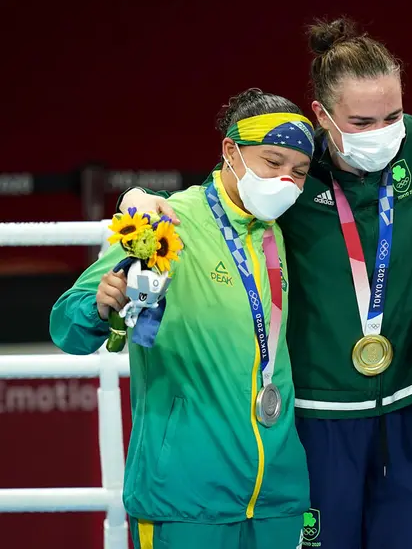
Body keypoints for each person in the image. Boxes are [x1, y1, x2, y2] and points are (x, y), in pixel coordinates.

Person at [117, 18, 412, 549]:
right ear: (322, 116)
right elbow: (225, 195)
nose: (382, 131)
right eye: (361, 120)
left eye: (392, 114)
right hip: (321, 418)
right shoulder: (294, 172)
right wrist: (138, 198)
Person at [50, 90, 313, 549]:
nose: (286, 181)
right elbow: (65, 326)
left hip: (278, 496)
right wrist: (99, 305)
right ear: (230, 151)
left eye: (299, 171)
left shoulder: (282, 231)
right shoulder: (165, 221)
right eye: (273, 162)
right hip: (185, 495)